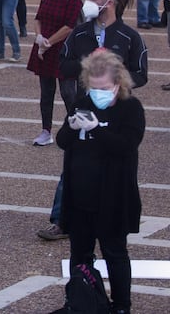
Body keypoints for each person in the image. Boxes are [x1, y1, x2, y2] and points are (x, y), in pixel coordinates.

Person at [37, 0, 147, 241]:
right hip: (85, 104)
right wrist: (90, 64)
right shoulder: (80, 33)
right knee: (73, 163)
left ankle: (111, 220)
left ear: (110, 2)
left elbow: (141, 74)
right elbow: (63, 65)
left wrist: (114, 77)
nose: (90, 3)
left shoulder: (128, 37)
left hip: (117, 110)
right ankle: (61, 220)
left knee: (114, 164)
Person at [54, 50, 144, 314]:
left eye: (103, 88)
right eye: (93, 87)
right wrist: (71, 127)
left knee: (114, 254)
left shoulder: (131, 108)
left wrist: (97, 130)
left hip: (112, 196)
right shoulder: (82, 102)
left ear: (118, 83)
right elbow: (62, 141)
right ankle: (80, 299)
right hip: (80, 196)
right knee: (79, 254)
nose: (97, 93)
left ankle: (121, 306)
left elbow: (126, 146)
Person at [27, 0, 83, 147]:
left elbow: (69, 26)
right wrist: (39, 37)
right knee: (46, 92)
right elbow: (38, 17)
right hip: (45, 47)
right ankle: (46, 131)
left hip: (64, 49)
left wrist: (48, 42)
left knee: (68, 92)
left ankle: (76, 128)